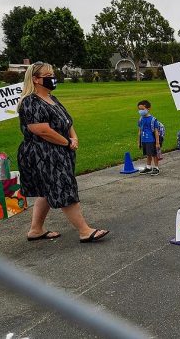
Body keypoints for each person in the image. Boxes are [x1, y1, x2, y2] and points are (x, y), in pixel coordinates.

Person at [17, 62, 109, 243]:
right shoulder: (30, 102)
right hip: (43, 153)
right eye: (47, 75)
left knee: (46, 190)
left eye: (52, 73)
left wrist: (73, 137)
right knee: (64, 187)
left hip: (59, 150)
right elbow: (41, 130)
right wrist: (67, 142)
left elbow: (67, 121)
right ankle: (84, 230)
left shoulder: (52, 98)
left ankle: (36, 230)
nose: (52, 77)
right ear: (35, 79)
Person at [137, 100, 161, 175]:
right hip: (144, 140)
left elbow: (156, 131)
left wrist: (157, 143)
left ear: (148, 108)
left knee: (154, 154)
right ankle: (148, 167)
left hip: (151, 140)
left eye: (142, 109)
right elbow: (140, 131)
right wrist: (139, 141)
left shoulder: (153, 120)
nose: (140, 111)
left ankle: (156, 168)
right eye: (139, 109)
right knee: (148, 154)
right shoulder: (141, 119)